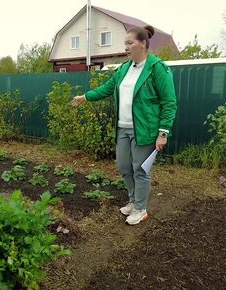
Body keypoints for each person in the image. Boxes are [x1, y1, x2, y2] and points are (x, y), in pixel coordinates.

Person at [72, 25, 177, 225]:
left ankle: (140, 208)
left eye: (130, 43)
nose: (126, 47)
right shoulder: (123, 69)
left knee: (140, 170)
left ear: (143, 44)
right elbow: (106, 89)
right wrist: (85, 97)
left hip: (144, 130)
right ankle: (132, 200)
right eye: (125, 44)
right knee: (123, 167)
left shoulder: (157, 68)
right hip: (123, 128)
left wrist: (163, 132)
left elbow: (169, 102)